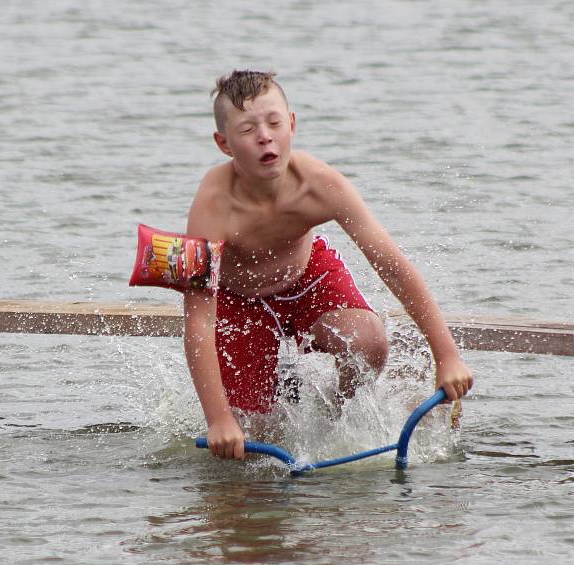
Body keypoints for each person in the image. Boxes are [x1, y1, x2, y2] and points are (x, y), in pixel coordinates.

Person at [184, 70, 473, 460]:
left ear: (292, 123)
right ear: (224, 143)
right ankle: (264, 407)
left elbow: (390, 264)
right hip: (240, 302)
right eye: (248, 129)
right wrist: (218, 419)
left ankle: (336, 416)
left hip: (306, 278)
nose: (265, 136)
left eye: (273, 123)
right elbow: (198, 319)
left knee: (367, 340)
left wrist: (447, 356)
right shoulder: (211, 204)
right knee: (251, 441)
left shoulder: (318, 183)